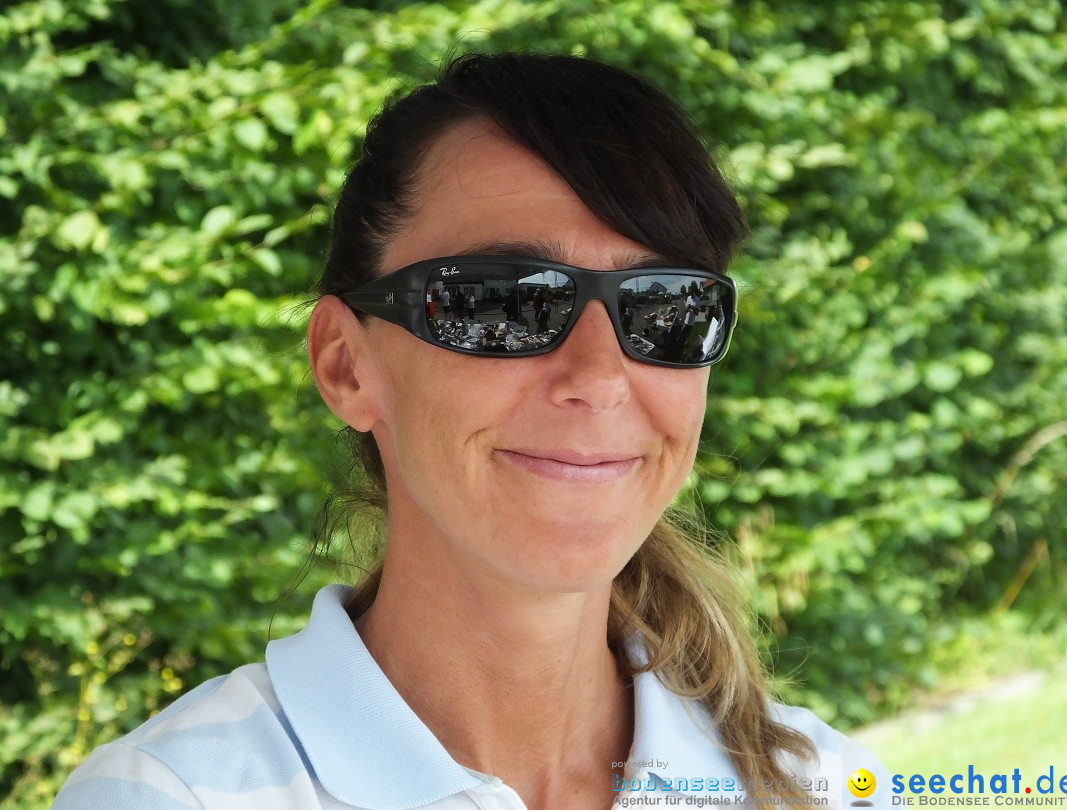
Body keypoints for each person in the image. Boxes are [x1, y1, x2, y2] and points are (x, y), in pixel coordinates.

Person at [53, 53, 887, 810]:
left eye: (666, 307)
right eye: (502, 303)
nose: (599, 378)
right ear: (346, 365)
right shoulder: (166, 796)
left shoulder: (831, 786)